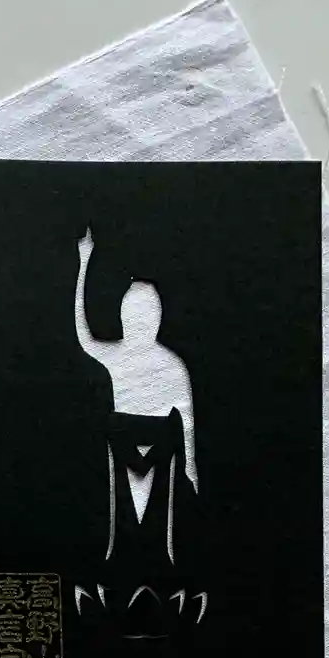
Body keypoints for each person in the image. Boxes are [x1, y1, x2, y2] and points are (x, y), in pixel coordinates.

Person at [74, 227, 203, 631]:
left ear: (157, 318)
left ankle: (159, 592)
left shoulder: (172, 365)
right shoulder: (117, 358)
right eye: (135, 311)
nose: (142, 318)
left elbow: (186, 418)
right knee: (122, 527)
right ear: (125, 316)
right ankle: (121, 590)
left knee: (159, 531)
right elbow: (83, 336)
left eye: (149, 311)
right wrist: (83, 265)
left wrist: (190, 466)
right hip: (121, 447)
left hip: (161, 452)